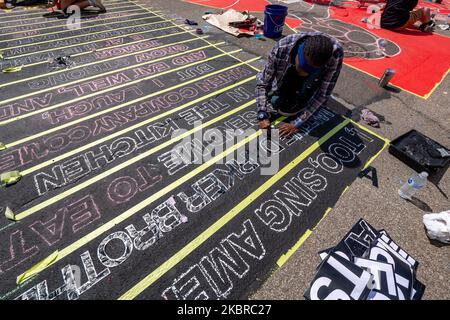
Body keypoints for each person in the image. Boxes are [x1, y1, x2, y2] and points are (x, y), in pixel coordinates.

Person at [256, 32, 344, 138]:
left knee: (291, 108)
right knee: (275, 101)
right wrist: (262, 114)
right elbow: (263, 82)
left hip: (313, 79)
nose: (304, 73)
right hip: (287, 71)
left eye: (309, 70)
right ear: (298, 52)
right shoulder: (282, 47)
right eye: (303, 67)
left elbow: (323, 94)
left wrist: (297, 123)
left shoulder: (335, 54)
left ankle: (305, 92)